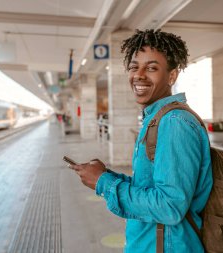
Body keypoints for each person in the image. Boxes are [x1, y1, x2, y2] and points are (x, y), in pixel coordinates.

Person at [70, 29, 213, 253]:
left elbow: (170, 206)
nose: (139, 75)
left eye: (152, 68)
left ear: (172, 76)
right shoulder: (157, 118)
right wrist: (106, 176)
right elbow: (151, 186)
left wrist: (104, 184)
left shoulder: (174, 122)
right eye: (135, 66)